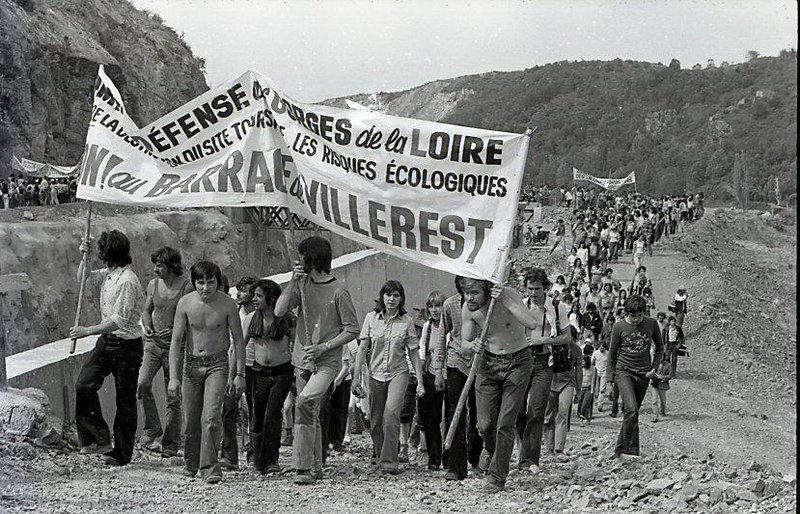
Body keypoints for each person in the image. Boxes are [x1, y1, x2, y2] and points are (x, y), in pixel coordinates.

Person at [274, 236, 360, 485]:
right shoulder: (302, 286)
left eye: (302, 256)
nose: (298, 260)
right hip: (302, 358)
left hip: (327, 361)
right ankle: (316, 465)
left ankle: (301, 467)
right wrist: (293, 281)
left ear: (311, 258)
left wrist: (324, 346)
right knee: (310, 413)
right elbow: (280, 311)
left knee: (303, 403)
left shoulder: (339, 291)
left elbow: (352, 328)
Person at [167, 261, 246, 484]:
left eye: (210, 282)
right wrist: (173, 377)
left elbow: (238, 340)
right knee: (192, 420)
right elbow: (176, 342)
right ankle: (192, 462)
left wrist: (240, 374)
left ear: (218, 283)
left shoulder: (228, 305)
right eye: (200, 282)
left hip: (217, 365)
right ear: (194, 282)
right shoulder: (185, 303)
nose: (205, 287)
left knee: (210, 418)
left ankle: (210, 467)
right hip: (191, 366)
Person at [70, 230, 144, 466]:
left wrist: (86, 331)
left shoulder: (127, 281)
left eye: (100, 250)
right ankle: (97, 439)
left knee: (125, 401)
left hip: (127, 346)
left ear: (109, 253)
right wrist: (85, 257)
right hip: (107, 343)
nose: (99, 253)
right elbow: (83, 279)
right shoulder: (109, 275)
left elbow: (118, 321)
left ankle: (122, 454)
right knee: (84, 383)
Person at [461, 278, 538, 494]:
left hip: (518, 361)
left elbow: (531, 323)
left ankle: (497, 477)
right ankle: (492, 450)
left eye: (475, 292)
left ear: (486, 290)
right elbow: (463, 343)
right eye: (466, 293)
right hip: (488, 364)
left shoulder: (508, 294)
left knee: (505, 422)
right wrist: (471, 344)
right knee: (485, 424)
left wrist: (505, 300)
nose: (470, 298)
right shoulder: (469, 308)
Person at [353, 280, 424, 474]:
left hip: (398, 372)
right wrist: (356, 377)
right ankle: (379, 451)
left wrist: (420, 381)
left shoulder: (406, 321)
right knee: (375, 421)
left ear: (401, 299)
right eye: (388, 295)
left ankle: (389, 461)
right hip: (375, 373)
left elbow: (413, 352)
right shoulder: (370, 318)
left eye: (396, 295)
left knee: (391, 414)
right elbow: (362, 349)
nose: (391, 299)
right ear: (382, 296)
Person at [138, 247, 193, 457]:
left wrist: (181, 332)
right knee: (142, 384)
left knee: (173, 396)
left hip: (176, 347)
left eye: (159, 265)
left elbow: (191, 316)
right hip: (153, 345)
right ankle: (152, 428)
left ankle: (171, 444)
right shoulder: (153, 285)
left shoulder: (186, 288)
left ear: (171, 266)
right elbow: (146, 310)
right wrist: (147, 325)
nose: (155, 269)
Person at [516, 268, 571, 474]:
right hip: (521, 360)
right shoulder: (521, 305)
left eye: (537, 288)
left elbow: (567, 337)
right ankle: (523, 449)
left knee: (537, 410)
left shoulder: (557, 308)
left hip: (543, 362)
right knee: (518, 410)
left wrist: (544, 339)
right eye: (530, 288)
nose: (534, 292)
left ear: (545, 287)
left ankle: (529, 459)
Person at [432, 277, 484, 481]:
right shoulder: (450, 304)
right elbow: (442, 336)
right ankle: (456, 466)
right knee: (455, 412)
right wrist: (438, 370)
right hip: (456, 362)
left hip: (480, 363)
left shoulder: (484, 304)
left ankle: (475, 457)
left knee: (479, 414)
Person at [244, 279, 295, 474]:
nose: (254, 299)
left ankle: (272, 459)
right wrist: (236, 374)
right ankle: (258, 460)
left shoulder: (286, 319)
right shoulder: (251, 318)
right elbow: (240, 346)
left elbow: (297, 342)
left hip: (281, 372)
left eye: (258, 296)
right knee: (257, 416)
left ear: (271, 298)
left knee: (272, 415)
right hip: (258, 372)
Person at [605, 295, 664, 459]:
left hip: (644, 374)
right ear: (626, 313)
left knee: (633, 413)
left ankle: (620, 450)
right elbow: (611, 355)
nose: (637, 319)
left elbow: (660, 348)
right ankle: (630, 450)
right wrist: (609, 381)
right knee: (630, 409)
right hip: (624, 371)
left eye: (639, 315)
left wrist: (654, 367)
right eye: (633, 316)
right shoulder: (619, 327)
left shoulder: (651, 324)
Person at [220, 276, 257, 470]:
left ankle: (254, 455)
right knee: (228, 410)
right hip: (234, 365)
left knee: (254, 413)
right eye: (239, 289)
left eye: (244, 290)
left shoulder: (259, 315)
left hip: (255, 366)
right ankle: (229, 455)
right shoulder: (234, 312)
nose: (239, 294)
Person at [417, 290, 447, 470]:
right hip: (430, 371)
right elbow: (423, 349)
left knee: (450, 415)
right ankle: (434, 458)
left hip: (448, 373)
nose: (435, 310)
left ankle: (450, 456)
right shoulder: (428, 327)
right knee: (430, 415)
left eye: (438, 305)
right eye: (431, 306)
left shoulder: (449, 326)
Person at [542, 336, 582, 453]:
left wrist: (578, 390)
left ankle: (559, 448)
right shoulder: (551, 346)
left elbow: (579, 369)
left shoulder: (576, 349)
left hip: (568, 383)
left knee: (563, 414)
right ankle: (549, 447)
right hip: (550, 382)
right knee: (548, 416)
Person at [650, 357, 672, 422]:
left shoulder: (668, 365)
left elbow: (670, 375)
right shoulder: (654, 364)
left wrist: (662, 377)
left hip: (663, 385)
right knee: (654, 401)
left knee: (663, 401)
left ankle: (662, 411)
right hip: (655, 384)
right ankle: (655, 416)